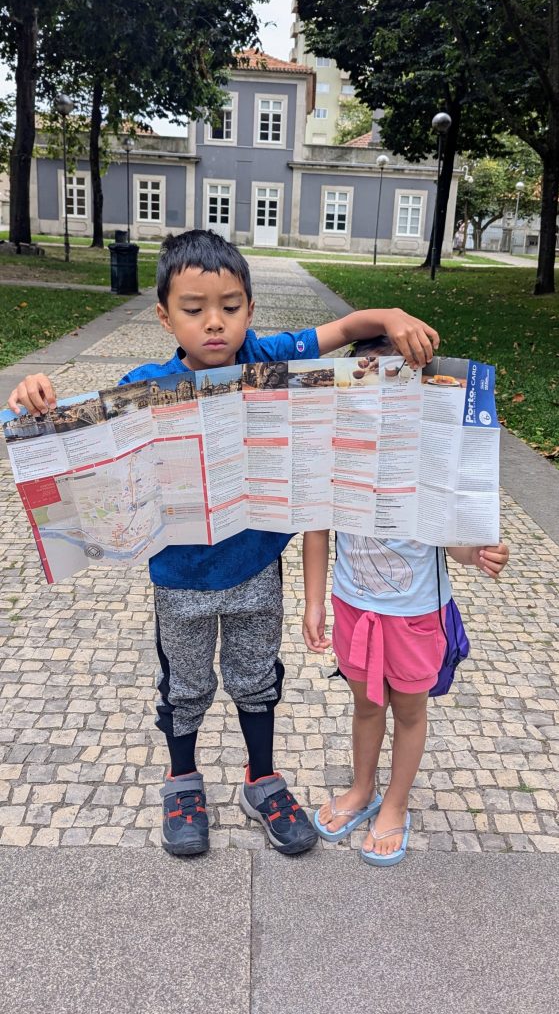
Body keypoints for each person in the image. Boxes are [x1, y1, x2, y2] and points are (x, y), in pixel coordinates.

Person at [7, 229, 440, 858]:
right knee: (184, 686)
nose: (215, 322)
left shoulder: (270, 358)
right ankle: (182, 781)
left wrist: (390, 316)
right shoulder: (144, 384)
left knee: (256, 678)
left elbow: (346, 331)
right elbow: (70, 426)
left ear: (250, 309)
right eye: (194, 308)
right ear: (164, 316)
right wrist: (32, 397)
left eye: (230, 306)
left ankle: (262, 780)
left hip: (256, 568)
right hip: (179, 578)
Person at [302, 336, 510, 867]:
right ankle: (362, 788)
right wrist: (314, 602)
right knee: (366, 704)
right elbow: (317, 530)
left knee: (410, 711)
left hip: (417, 614)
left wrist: (477, 554)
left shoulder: (432, 462)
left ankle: (395, 803)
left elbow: (453, 541)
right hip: (354, 607)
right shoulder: (337, 455)